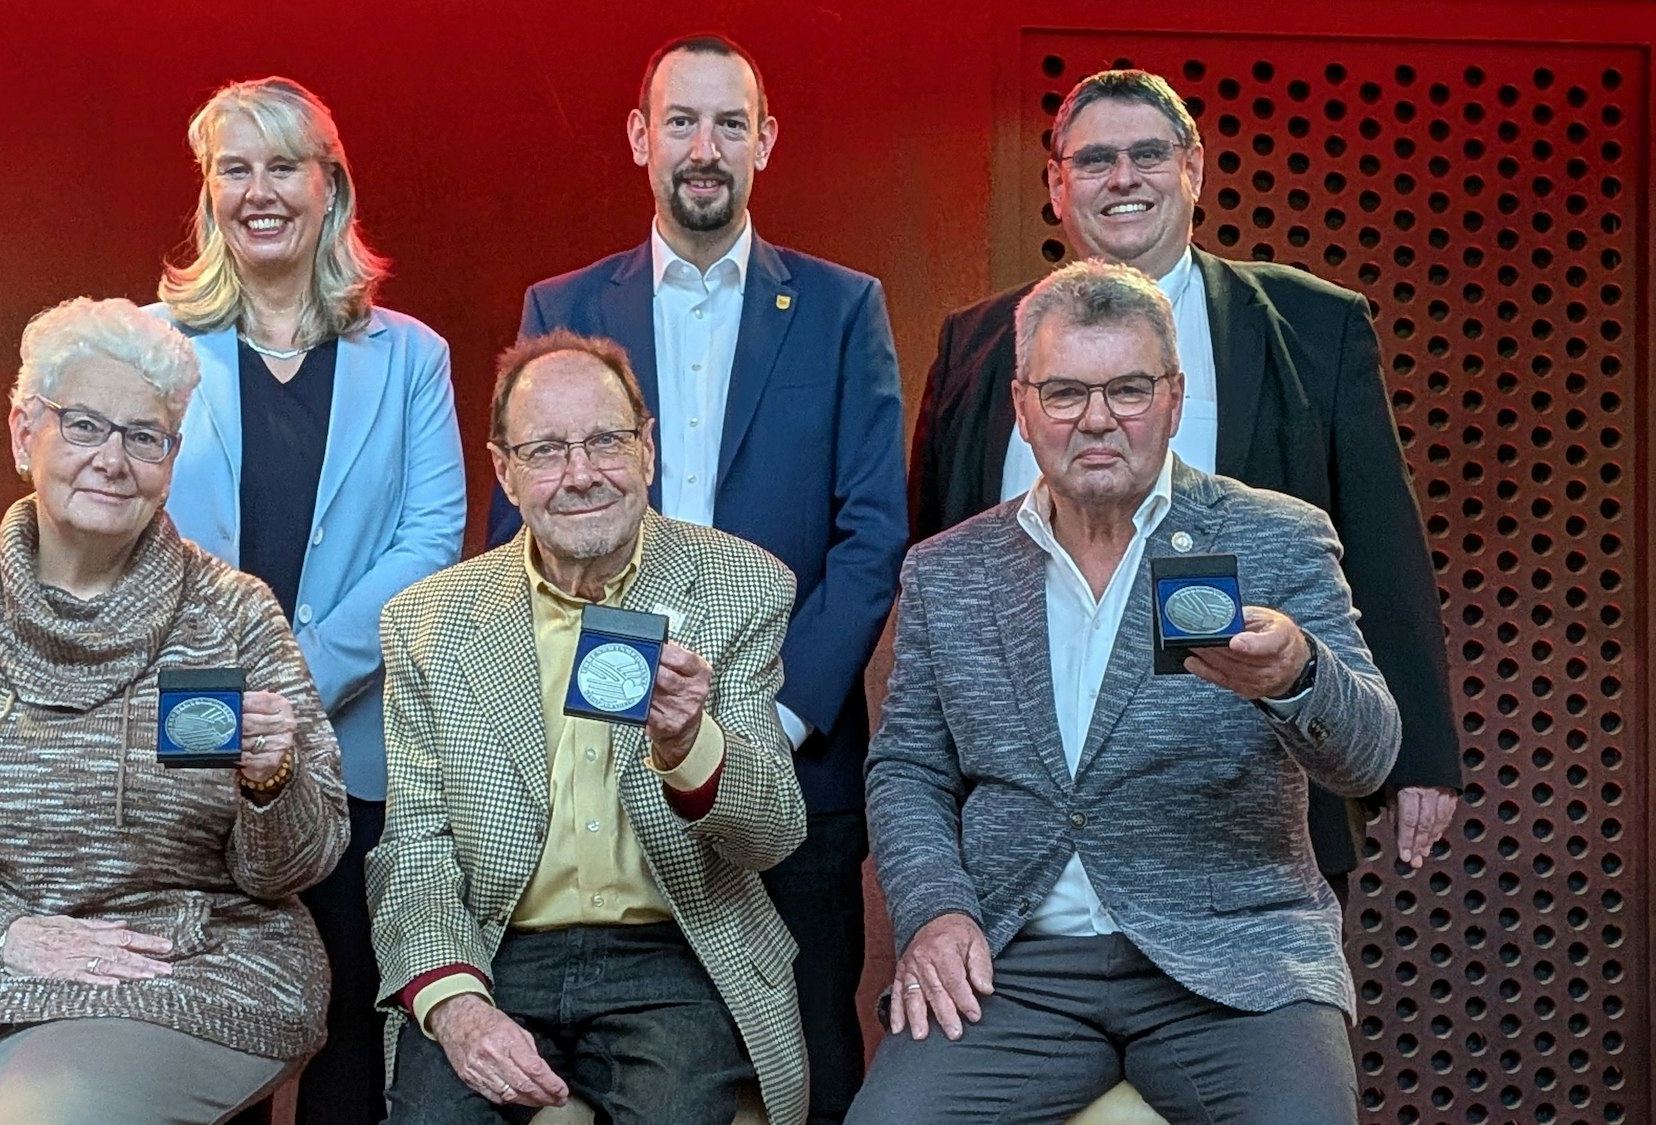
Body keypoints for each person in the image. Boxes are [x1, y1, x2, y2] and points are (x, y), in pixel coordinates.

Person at [0, 297, 350, 1125]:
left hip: (170, 963)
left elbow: (296, 864)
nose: (112, 459)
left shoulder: (234, 615)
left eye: (144, 436)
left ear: (171, 457)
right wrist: (0, 932)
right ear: (23, 435)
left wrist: (272, 782)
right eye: (83, 425)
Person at [852, 261, 1400, 1123]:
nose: (1098, 418)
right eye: (1066, 392)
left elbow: (1370, 757)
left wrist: (1296, 676)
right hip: (1015, 964)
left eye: (1130, 389)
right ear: (1022, 405)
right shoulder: (947, 569)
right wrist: (935, 910)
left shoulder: (1274, 536)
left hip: (1233, 959)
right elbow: (909, 769)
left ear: (1175, 399)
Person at [908, 67, 1458, 899]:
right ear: (1057, 187)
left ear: (1193, 169)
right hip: (1031, 822)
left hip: (1250, 805)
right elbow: (939, 544)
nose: (1122, 178)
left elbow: (1381, 541)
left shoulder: (1314, 325)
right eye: (1093, 161)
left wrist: (1419, 751)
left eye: (1147, 154)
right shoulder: (980, 343)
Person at [486, 38, 906, 1119]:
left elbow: (870, 537)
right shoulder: (563, 307)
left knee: (804, 1061)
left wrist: (780, 714)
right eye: (680, 122)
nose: (703, 148)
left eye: (728, 124)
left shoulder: (840, 306)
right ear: (639, 139)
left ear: (764, 142)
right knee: (630, 1070)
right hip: (596, 750)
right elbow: (517, 526)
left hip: (793, 755)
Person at [372, 330, 809, 1125]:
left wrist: (689, 747)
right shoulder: (427, 622)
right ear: (504, 470)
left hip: (676, 948)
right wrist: (456, 1005)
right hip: (499, 949)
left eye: (605, 440)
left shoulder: (743, 584)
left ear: (646, 449)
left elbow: (773, 829)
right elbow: (416, 849)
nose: (581, 475)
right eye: (545, 450)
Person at [155, 77, 466, 1124]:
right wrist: (241, 697)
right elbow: (122, 533)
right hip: (195, 730)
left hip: (362, 748)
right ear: (208, 193)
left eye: (282, 165)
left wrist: (298, 675)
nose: (259, 192)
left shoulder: (411, 356)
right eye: (233, 169)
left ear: (328, 187)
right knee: (208, 1029)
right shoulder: (152, 350)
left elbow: (431, 543)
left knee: (348, 1045)